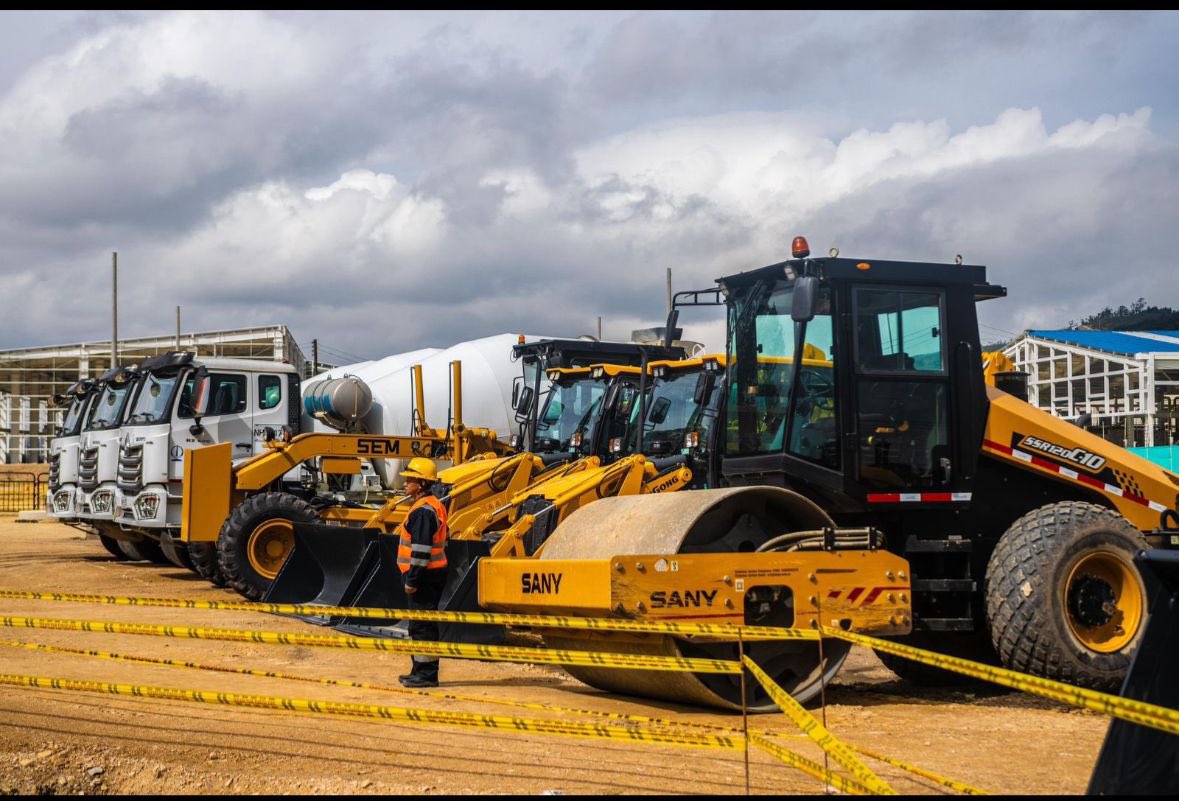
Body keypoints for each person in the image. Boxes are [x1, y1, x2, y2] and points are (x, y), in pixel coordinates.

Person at [395, 456, 449, 688]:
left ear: (422, 484)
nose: (405, 483)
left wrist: (412, 580)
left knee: (423, 626)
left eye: (410, 479)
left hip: (424, 576)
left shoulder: (424, 512)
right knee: (419, 625)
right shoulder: (427, 507)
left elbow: (421, 550)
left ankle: (426, 675)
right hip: (430, 574)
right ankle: (419, 670)